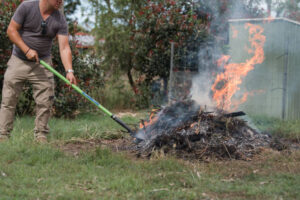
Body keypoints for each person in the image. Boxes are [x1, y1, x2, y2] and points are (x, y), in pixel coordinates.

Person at [0, 0, 77, 143]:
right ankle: (3, 136)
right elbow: (11, 30)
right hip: (19, 59)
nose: (60, 1)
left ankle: (41, 135)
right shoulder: (27, 7)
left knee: (45, 100)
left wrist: (69, 71)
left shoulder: (59, 18)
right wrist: (26, 49)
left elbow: (64, 47)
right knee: (8, 99)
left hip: (42, 63)